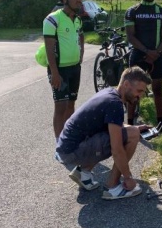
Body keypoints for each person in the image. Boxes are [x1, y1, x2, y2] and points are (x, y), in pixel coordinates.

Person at [54, 66, 152, 200]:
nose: (140, 96)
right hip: (71, 152)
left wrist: (135, 127)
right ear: (126, 84)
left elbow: (113, 126)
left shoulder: (110, 93)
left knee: (132, 131)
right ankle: (112, 187)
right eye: (139, 91)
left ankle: (83, 173)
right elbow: (117, 149)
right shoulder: (114, 104)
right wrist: (128, 177)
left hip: (67, 147)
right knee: (132, 135)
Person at [124, 0, 162, 130]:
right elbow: (130, 36)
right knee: (133, 91)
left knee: (158, 90)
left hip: (157, 56)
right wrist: (146, 51)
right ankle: (130, 124)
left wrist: (156, 52)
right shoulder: (132, 11)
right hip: (138, 54)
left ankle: (160, 122)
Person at [43, 0, 86, 143]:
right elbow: (49, 48)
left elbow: (81, 35)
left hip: (75, 68)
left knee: (71, 105)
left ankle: (68, 137)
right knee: (60, 107)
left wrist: (81, 52)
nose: (79, 0)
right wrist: (54, 72)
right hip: (59, 70)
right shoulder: (52, 19)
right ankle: (59, 143)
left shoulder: (78, 20)